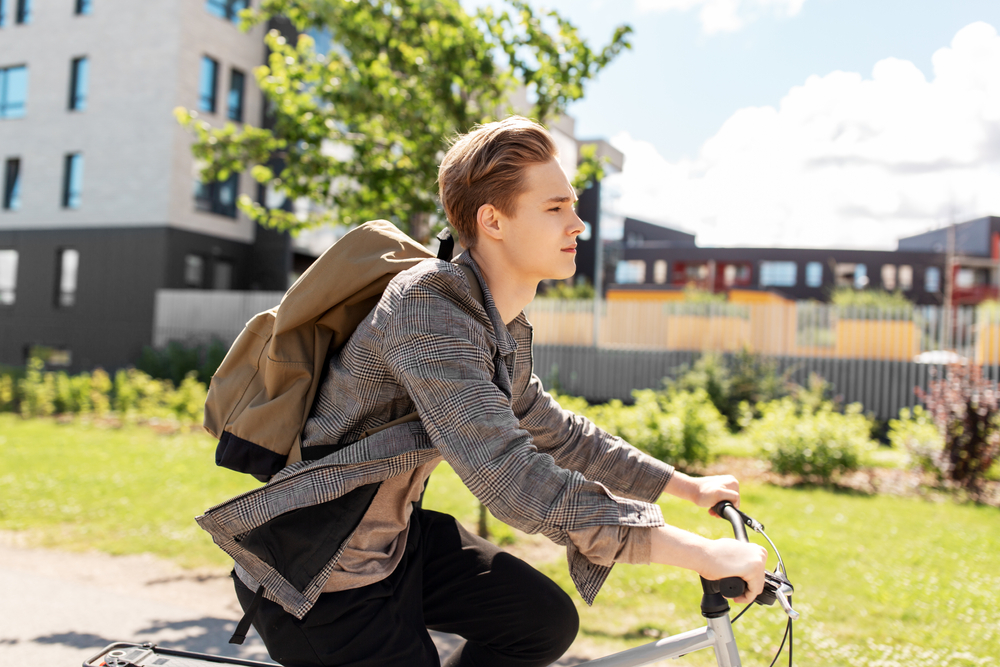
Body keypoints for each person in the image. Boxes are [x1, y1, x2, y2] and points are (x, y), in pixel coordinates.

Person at [231, 116, 767, 667]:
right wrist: (695, 551)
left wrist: (686, 488)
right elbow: (509, 475)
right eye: (556, 208)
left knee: (540, 623)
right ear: (493, 220)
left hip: (392, 543)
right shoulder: (426, 308)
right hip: (318, 570)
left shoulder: (491, 322)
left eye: (574, 206)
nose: (578, 224)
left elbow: (559, 435)